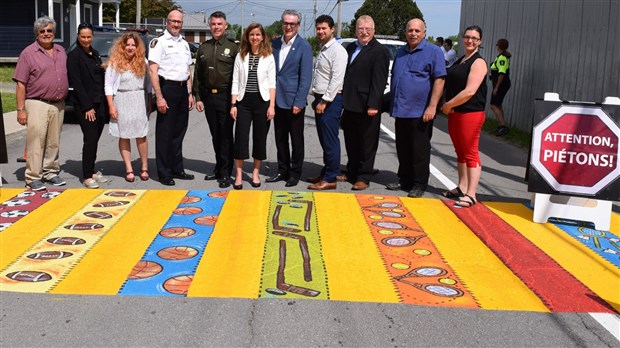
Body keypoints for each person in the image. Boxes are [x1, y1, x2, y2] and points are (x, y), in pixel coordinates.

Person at [386, 18, 446, 198]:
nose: (413, 33)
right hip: (401, 109)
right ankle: (404, 179)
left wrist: (432, 106)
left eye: (417, 31)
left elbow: (440, 79)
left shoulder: (433, 52)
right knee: (403, 147)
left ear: (424, 32)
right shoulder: (402, 52)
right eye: (410, 30)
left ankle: (419, 183)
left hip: (421, 111)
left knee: (419, 149)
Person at [13, 16, 68, 191]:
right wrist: (21, 109)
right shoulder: (28, 53)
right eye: (42, 31)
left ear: (54, 33)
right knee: (36, 141)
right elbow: (21, 83)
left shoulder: (61, 50)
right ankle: (33, 176)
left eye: (49, 31)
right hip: (37, 102)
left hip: (58, 103)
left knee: (54, 141)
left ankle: (50, 172)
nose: (46, 34)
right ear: (37, 34)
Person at [340, 15, 390, 190]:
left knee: (367, 143)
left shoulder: (379, 51)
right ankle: (351, 171)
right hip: (350, 103)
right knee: (351, 140)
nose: (364, 32)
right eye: (361, 28)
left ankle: (363, 176)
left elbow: (379, 80)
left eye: (368, 29)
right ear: (356, 30)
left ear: (374, 31)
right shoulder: (350, 47)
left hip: (367, 105)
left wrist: (374, 104)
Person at [441, 25, 488, 208]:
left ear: (480, 41)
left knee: (470, 153)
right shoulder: (461, 59)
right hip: (456, 113)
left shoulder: (478, 62)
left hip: (470, 113)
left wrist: (448, 105)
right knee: (460, 152)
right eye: (467, 37)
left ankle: (471, 193)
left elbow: (469, 91)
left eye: (474, 38)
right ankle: (462, 186)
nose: (470, 40)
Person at [148, 10, 195, 186]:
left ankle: (177, 168)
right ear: (167, 22)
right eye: (173, 21)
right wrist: (159, 97)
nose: (176, 24)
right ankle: (164, 172)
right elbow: (153, 70)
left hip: (182, 91)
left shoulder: (184, 43)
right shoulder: (158, 42)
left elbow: (187, 70)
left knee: (179, 132)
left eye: (179, 22)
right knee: (165, 134)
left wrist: (190, 93)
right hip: (167, 89)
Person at [267, 9, 313, 187]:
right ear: (282, 23)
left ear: (298, 26)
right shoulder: (275, 44)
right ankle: (282, 169)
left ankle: (295, 172)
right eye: (286, 23)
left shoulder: (304, 46)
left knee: (296, 139)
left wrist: (300, 101)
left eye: (292, 24)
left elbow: (305, 77)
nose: (288, 27)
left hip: (294, 102)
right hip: (276, 100)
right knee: (280, 139)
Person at [193, 11, 239, 188]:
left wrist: (236, 101)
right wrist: (197, 96)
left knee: (226, 134)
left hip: (226, 96)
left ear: (225, 25)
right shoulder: (204, 47)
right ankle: (219, 167)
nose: (216, 27)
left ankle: (226, 172)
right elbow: (197, 74)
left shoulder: (234, 48)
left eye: (220, 24)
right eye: (213, 24)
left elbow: (239, 74)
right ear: (210, 26)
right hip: (208, 96)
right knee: (215, 135)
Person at [230, 23, 276, 190]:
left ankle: (256, 172)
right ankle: (239, 174)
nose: (255, 37)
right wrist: (233, 104)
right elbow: (235, 81)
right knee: (241, 138)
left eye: (258, 34)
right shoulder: (241, 56)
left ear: (262, 36)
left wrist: (271, 106)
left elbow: (272, 83)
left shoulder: (269, 56)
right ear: (247, 37)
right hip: (243, 102)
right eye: (251, 35)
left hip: (262, 102)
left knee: (259, 139)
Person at [306, 15, 347, 191]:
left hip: (330, 100)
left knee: (330, 140)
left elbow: (337, 79)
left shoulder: (337, 51)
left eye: (324, 28)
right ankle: (326, 172)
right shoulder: (324, 49)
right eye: (318, 28)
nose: (321, 31)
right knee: (324, 139)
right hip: (320, 98)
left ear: (332, 29)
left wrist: (325, 100)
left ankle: (330, 177)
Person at [67, 23, 110, 189]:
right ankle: (86, 176)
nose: (86, 40)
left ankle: (92, 171)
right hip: (86, 105)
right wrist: (86, 107)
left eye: (89, 37)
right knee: (90, 138)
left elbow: (98, 76)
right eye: (83, 37)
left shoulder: (95, 53)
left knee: (95, 138)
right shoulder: (74, 56)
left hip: (99, 102)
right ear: (78, 36)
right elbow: (77, 83)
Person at [105, 32, 152, 183]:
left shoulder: (143, 61)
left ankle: (144, 167)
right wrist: (111, 105)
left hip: (139, 99)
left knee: (141, 134)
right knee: (124, 135)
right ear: (122, 46)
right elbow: (108, 85)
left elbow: (149, 83)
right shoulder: (114, 62)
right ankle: (129, 168)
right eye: (128, 44)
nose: (130, 47)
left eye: (133, 45)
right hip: (122, 99)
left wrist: (149, 99)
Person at [490, 38, 512, 136]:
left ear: (499, 46)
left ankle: (503, 126)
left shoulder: (502, 58)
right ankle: (501, 126)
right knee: (498, 104)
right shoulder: (500, 57)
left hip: (501, 84)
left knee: (493, 105)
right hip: (499, 84)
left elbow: (502, 74)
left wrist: (497, 88)